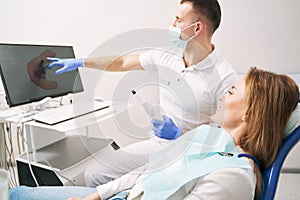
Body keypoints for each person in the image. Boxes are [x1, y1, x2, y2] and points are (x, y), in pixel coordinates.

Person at [9, 67, 300, 200]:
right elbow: (148, 170)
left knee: (18, 194)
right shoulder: (209, 138)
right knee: (17, 192)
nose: (225, 93)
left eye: (234, 90)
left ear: (250, 112)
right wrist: (96, 196)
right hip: (127, 192)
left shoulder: (235, 176)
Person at [46, 0, 238, 187]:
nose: (172, 24)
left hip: (193, 153)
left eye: (179, 20)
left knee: (144, 186)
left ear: (197, 28)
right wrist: (81, 62)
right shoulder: (168, 56)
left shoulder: (224, 77)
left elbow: (227, 137)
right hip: (160, 144)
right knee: (94, 174)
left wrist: (181, 133)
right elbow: (122, 62)